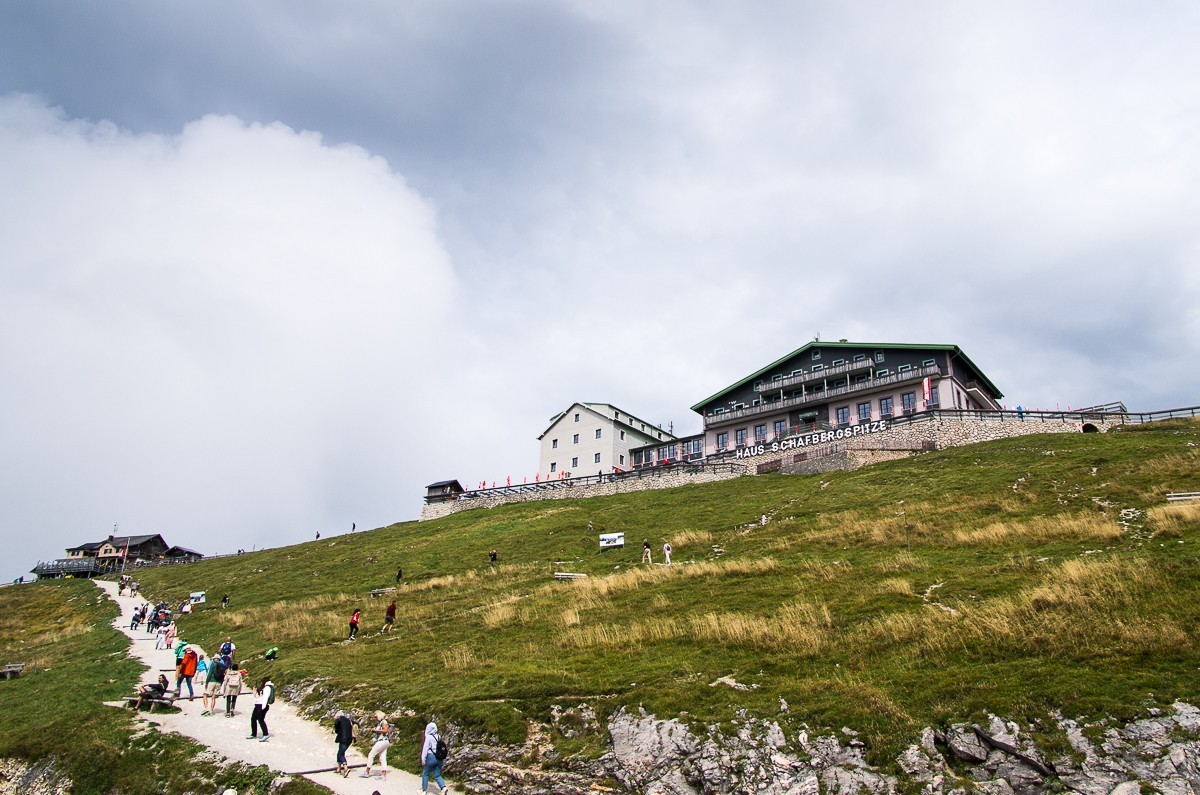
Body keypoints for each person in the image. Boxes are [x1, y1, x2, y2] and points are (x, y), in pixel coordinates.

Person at [420, 721, 449, 794]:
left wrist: (423, 759)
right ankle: (443, 788)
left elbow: (425, 749)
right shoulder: (439, 736)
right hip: (439, 758)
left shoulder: (429, 737)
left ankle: (423, 790)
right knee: (437, 774)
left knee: (425, 773)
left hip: (431, 757)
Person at [363, 711, 391, 780]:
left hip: (381, 741)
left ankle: (367, 771)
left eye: (375, 717)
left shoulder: (382, 722)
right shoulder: (383, 722)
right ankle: (383, 774)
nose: (375, 718)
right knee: (382, 757)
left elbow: (385, 730)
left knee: (371, 754)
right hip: (385, 741)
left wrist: (376, 731)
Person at [248, 677, 273, 741]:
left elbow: (265, 698)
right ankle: (253, 734)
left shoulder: (267, 688)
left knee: (260, 720)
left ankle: (266, 734)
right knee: (253, 719)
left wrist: (263, 707)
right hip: (258, 705)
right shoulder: (264, 687)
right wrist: (254, 690)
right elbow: (256, 696)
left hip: (261, 706)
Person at [333, 710, 354, 777]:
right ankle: (338, 769)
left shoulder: (338, 720)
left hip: (343, 739)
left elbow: (336, 730)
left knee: (340, 754)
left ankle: (345, 768)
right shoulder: (348, 720)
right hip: (349, 739)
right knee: (340, 752)